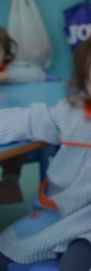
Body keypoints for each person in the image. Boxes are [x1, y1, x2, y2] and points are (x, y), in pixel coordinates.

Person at [0, 32, 91, 271]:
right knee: (6, 249)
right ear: (85, 90)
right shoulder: (71, 115)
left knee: (76, 264)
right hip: (59, 215)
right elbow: (26, 121)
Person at [0, 27, 48, 205]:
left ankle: (10, 181)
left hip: (15, 128)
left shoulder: (14, 69)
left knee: (17, 131)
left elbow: (38, 74)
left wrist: (6, 76)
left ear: (5, 53)